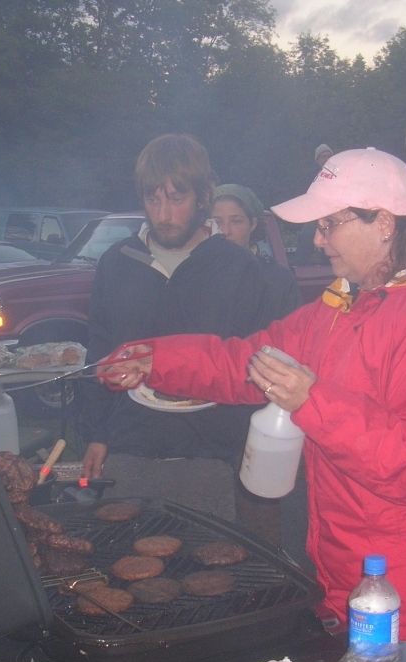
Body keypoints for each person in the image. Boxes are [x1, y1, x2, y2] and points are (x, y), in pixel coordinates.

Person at [100, 148, 406, 662]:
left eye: (329, 225)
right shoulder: (341, 306)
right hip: (338, 573)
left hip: (398, 602)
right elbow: (247, 360)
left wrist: (312, 400)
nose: (317, 241)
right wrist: (156, 360)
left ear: (385, 224)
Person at [78, 134, 289, 520]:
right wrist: (97, 434)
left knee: (209, 572)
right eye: (152, 200)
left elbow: (259, 364)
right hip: (130, 451)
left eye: (177, 199)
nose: (163, 215)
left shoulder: (238, 268)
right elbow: (100, 351)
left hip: (210, 456)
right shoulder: (117, 262)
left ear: (203, 197)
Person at [210, 184, 302, 544]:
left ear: (252, 225)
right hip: (209, 410)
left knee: (261, 512)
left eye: (235, 221)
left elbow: (289, 349)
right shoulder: (198, 276)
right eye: (217, 221)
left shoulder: (276, 278)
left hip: (259, 407)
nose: (226, 230)